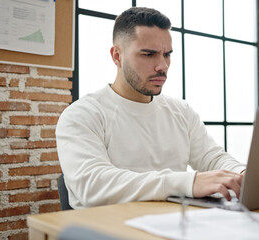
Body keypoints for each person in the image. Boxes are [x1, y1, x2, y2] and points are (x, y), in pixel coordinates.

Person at [56, 7, 246, 209]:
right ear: (117, 56)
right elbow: (93, 186)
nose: (162, 66)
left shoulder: (181, 111)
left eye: (167, 54)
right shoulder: (81, 115)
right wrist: (188, 183)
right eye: (149, 54)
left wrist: (242, 174)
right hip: (107, 229)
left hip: (173, 224)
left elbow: (213, 158)